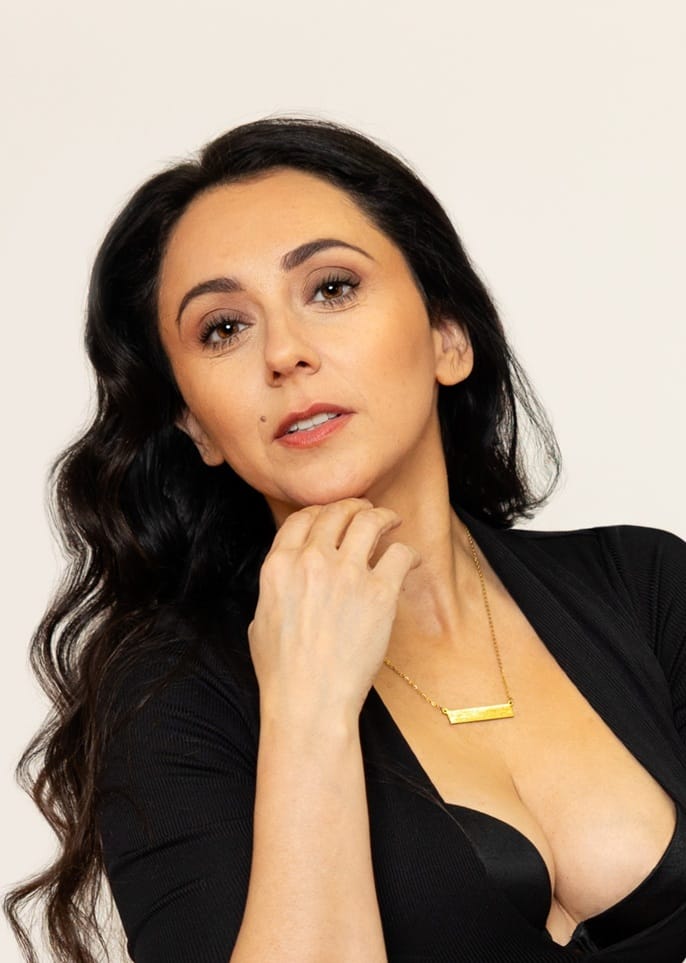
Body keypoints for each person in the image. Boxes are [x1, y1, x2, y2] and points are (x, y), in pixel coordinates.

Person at [5, 116, 686, 963]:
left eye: (331, 288)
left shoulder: (648, 585)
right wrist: (310, 710)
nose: (285, 353)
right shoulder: (168, 698)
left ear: (448, 338)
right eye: (223, 328)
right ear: (196, 425)